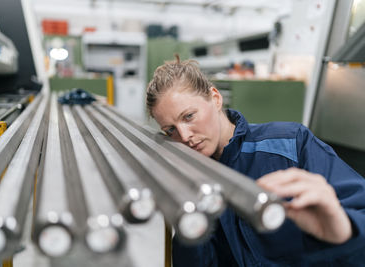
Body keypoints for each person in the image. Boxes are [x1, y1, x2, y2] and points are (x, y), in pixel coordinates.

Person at [146, 55, 365, 266]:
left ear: (215, 98)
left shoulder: (291, 144)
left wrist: (344, 228)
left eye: (189, 116)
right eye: (171, 129)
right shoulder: (198, 180)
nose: (184, 136)